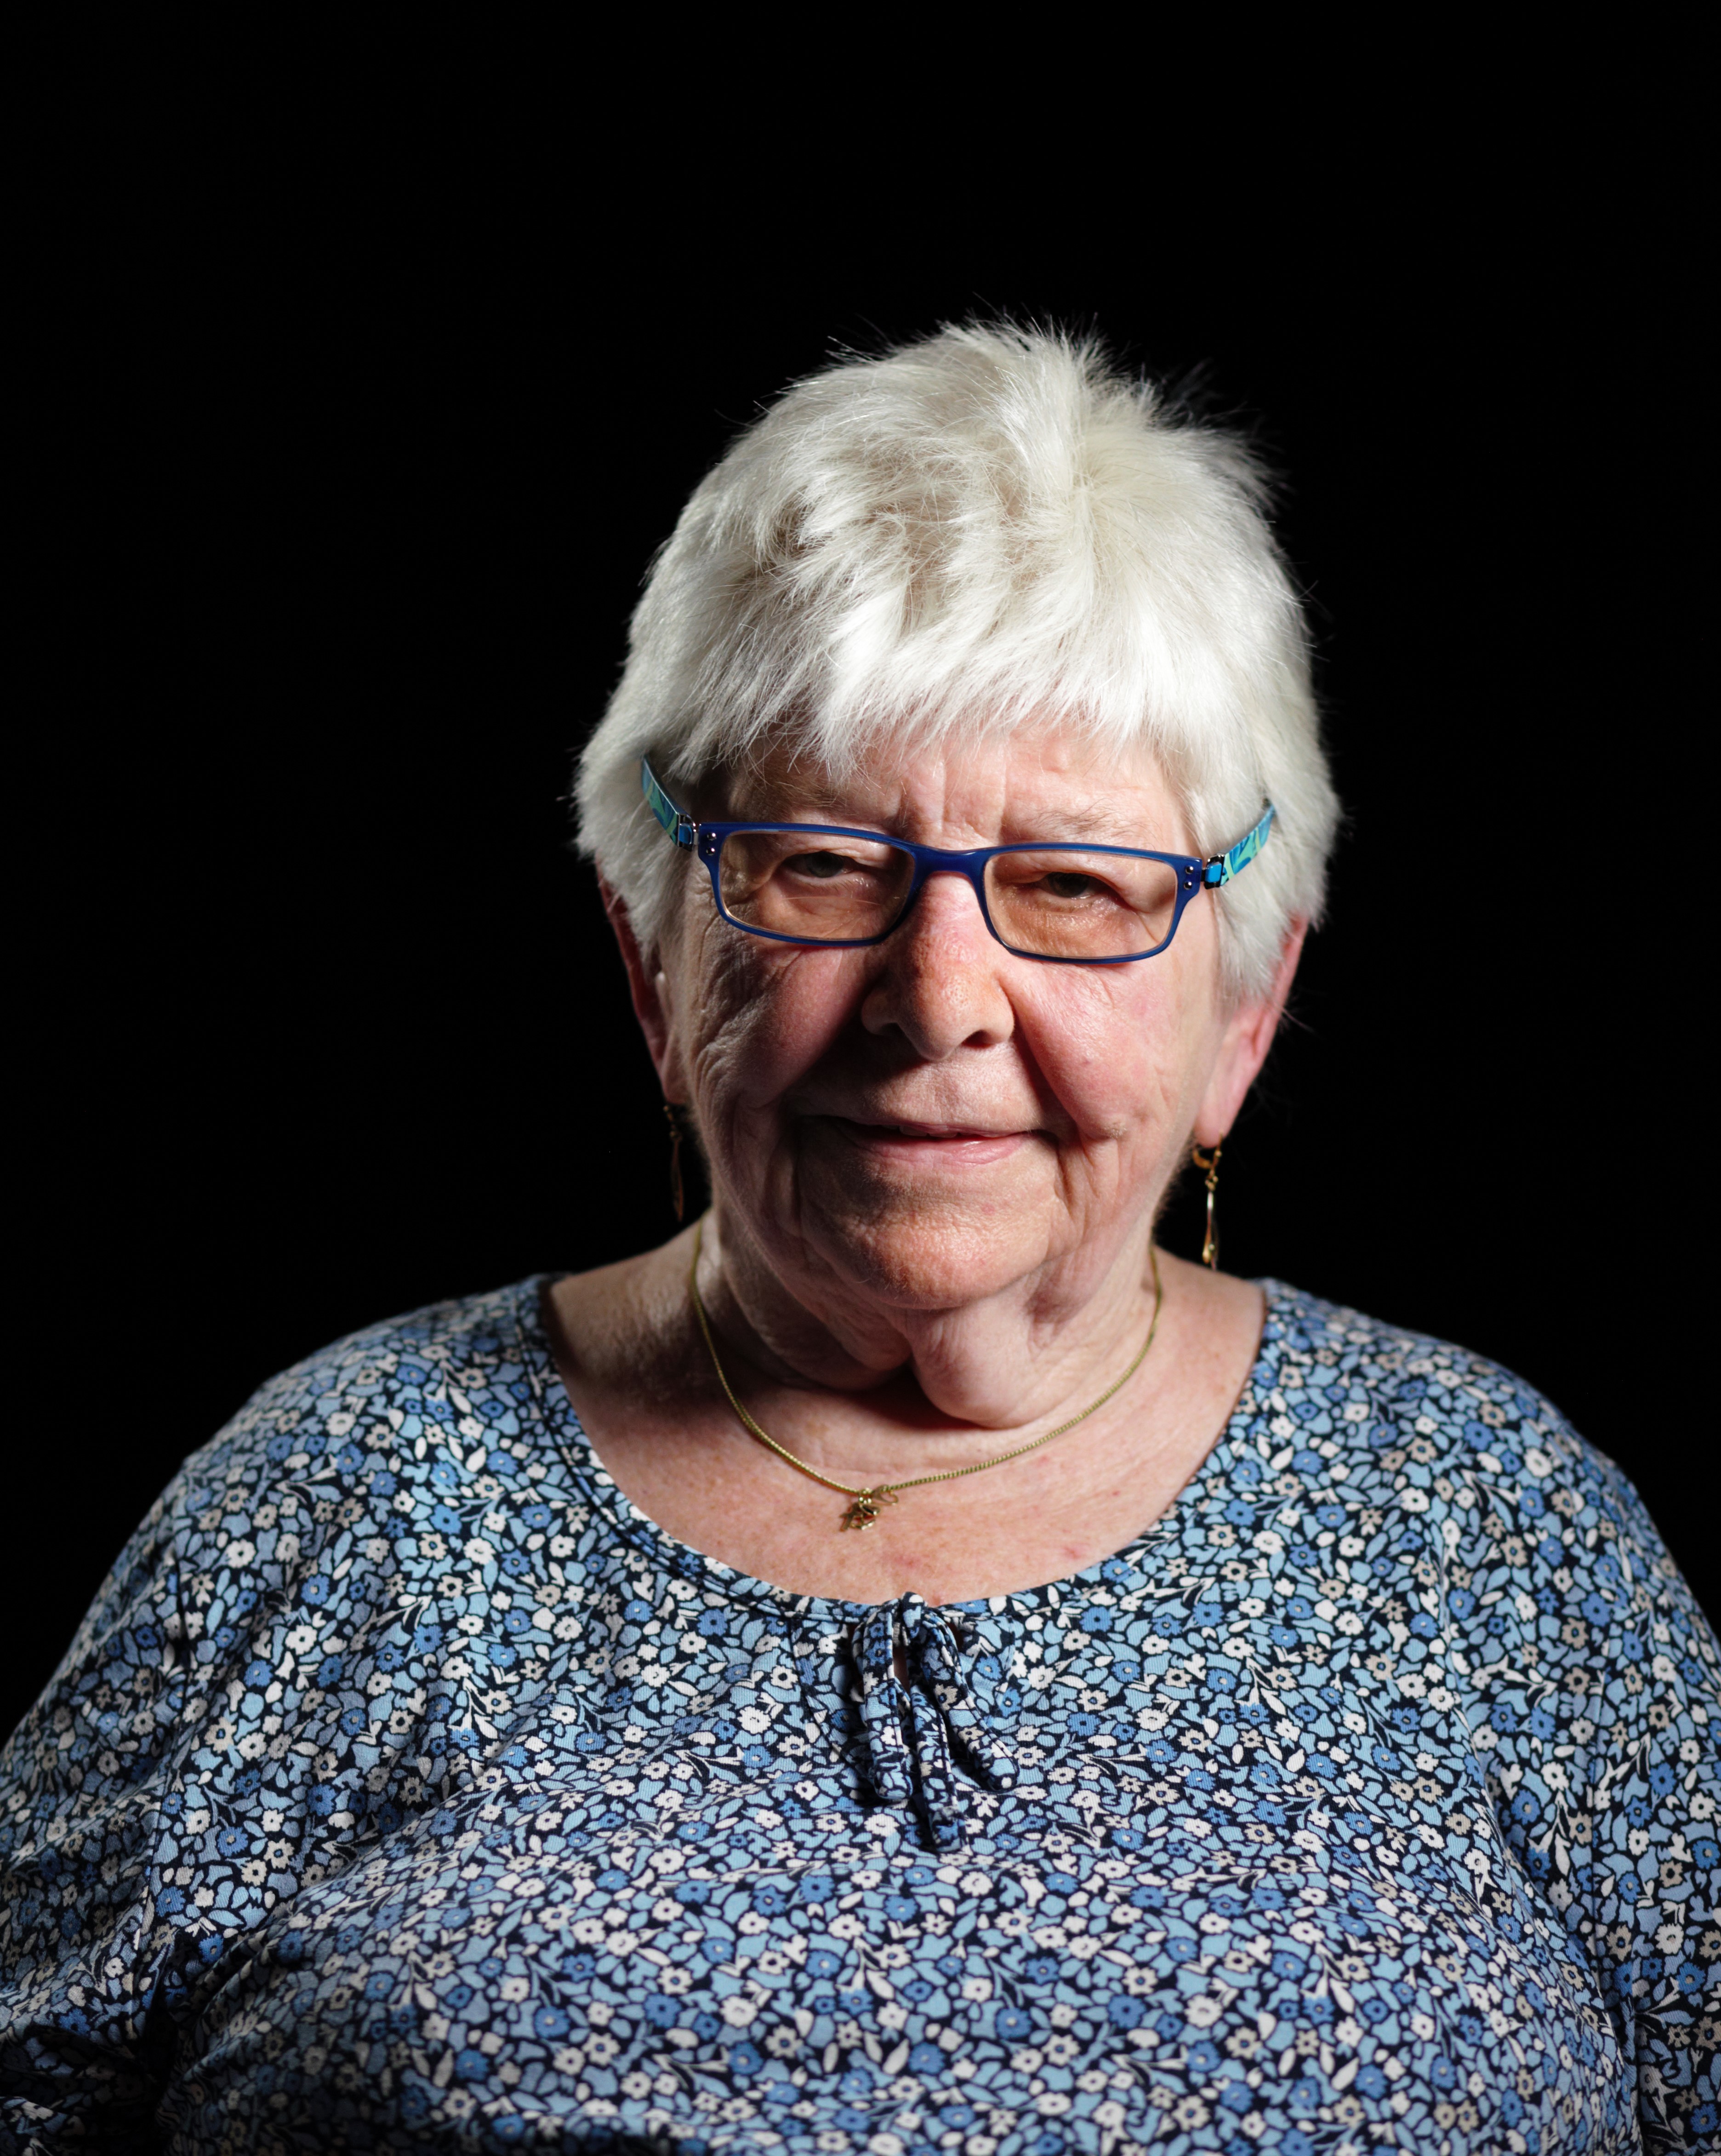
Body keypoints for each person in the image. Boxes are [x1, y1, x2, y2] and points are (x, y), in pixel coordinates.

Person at [2, 324, 1715, 2152]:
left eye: (1073, 884)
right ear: (653, 965)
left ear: (1245, 1009)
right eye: (822, 864)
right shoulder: (327, 1506)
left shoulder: (1497, 1531)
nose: (938, 999)